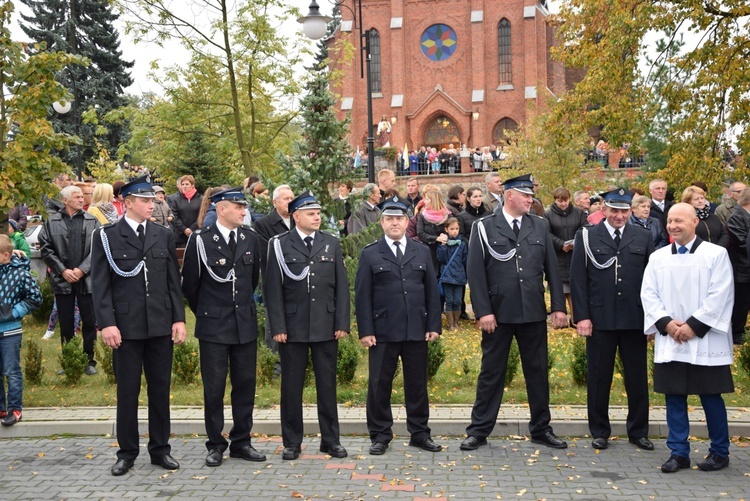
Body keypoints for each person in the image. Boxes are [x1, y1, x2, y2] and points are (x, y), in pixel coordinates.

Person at [461, 174, 568, 452]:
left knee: (537, 371)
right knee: (491, 374)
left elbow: (551, 270)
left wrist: (558, 307)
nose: (531, 200)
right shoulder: (485, 227)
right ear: (509, 195)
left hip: (532, 311)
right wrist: (483, 311)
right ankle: (479, 430)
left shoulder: (539, 225)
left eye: (531, 195)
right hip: (498, 314)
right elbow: (476, 272)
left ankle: (541, 428)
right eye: (526, 195)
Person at [91, 175, 187, 476]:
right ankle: (127, 452)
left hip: (159, 325)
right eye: (145, 200)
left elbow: (173, 281)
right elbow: (101, 284)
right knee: (128, 393)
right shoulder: (107, 236)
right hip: (126, 327)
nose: (152, 204)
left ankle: (160, 450)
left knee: (160, 391)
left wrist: (179, 318)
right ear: (128, 203)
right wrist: (107, 324)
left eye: (152, 200)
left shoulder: (163, 234)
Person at [640, 203, 735, 473]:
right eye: (670, 220)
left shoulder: (715, 255)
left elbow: (721, 294)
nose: (673, 225)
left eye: (679, 220)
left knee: (710, 396)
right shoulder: (658, 258)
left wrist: (693, 326)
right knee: (674, 396)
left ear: (694, 222)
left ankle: (719, 451)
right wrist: (667, 325)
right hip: (671, 339)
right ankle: (678, 452)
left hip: (704, 340)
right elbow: (648, 295)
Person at [181, 187, 266, 467]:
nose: (244, 211)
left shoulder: (251, 239)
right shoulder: (201, 241)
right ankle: (215, 444)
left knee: (245, 385)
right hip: (213, 325)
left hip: (244, 324)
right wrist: (208, 313)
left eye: (245, 207)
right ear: (221, 209)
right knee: (214, 388)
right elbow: (191, 286)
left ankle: (242, 441)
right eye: (238, 206)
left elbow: (251, 280)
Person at [264, 191, 350, 461]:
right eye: (311, 213)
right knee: (291, 387)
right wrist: (277, 325)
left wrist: (342, 322)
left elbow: (341, 288)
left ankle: (331, 440)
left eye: (318, 213)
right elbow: (272, 290)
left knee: (327, 386)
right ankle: (292, 442)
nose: (317, 217)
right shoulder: (280, 245)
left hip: (326, 326)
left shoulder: (330, 243)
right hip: (292, 327)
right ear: (296, 216)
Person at [355, 196, 442, 455]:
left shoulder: (421, 251)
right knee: (380, 384)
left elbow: (431, 292)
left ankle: (419, 433)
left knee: (417, 384)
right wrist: (366, 330)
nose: (395, 223)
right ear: (381, 222)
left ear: (407, 221)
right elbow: (362, 296)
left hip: (416, 328)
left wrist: (434, 325)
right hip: (382, 331)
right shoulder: (370, 253)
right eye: (390, 219)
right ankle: (380, 435)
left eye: (399, 218)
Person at [570, 188, 654, 451]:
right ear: (603, 209)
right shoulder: (587, 236)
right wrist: (581, 316)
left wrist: (652, 320)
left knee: (637, 378)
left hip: (634, 318)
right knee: (598, 377)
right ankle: (599, 430)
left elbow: (652, 282)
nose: (619, 216)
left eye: (624, 211)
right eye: (615, 210)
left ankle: (638, 431)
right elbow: (578, 280)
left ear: (630, 210)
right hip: (600, 318)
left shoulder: (642, 235)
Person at [39, 185, 100, 375]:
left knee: (90, 321)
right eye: (77, 197)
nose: (82, 199)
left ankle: (89, 360)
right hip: (63, 279)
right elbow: (46, 249)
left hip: (86, 278)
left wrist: (82, 270)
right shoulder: (52, 222)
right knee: (66, 322)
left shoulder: (92, 220)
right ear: (65, 200)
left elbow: (99, 248)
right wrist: (63, 271)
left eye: (83, 196)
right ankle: (69, 359)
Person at [0, 235, 42, 427]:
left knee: (12, 371)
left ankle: (15, 409)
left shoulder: (20, 274)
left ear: (5, 255)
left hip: (10, 331)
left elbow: (35, 297)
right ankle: (1, 408)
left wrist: (13, 313)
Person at [544, 187, 588, 319]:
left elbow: (585, 229)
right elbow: (547, 233)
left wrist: (576, 243)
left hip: (575, 255)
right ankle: (559, 318)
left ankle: (576, 319)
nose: (563, 204)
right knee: (559, 289)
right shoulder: (548, 214)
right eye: (559, 201)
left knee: (575, 290)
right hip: (557, 256)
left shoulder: (578, 213)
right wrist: (561, 244)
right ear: (555, 200)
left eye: (566, 201)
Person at [726, 187, 750, 345]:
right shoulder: (736, 217)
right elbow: (742, 243)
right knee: (741, 304)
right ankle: (736, 334)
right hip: (743, 269)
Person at [436, 217, 467, 330]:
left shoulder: (462, 244)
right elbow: (440, 258)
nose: (454, 231)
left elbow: (465, 259)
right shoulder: (444, 243)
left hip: (459, 276)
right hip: (447, 276)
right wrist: (443, 246)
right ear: (446, 229)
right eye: (452, 229)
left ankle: (456, 322)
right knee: (449, 300)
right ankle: (450, 324)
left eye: (457, 229)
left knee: (458, 300)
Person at [254, 185, 295, 260]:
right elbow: (266, 254)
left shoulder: (299, 220)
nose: (290, 201)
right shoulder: (263, 224)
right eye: (286, 199)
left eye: (292, 198)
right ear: (275, 202)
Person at [416, 190, 450, 275]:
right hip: (429, 252)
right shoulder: (423, 215)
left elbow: (454, 230)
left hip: (445, 251)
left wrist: (445, 236)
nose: (424, 201)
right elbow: (420, 233)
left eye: (427, 199)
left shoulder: (447, 215)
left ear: (433, 200)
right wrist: (436, 238)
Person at [168, 175, 203, 247]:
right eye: (182, 184)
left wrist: (192, 229)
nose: (184, 186)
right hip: (180, 236)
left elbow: (202, 215)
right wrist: (184, 229)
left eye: (187, 184)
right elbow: (174, 215)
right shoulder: (176, 199)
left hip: (197, 234)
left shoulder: (200, 199)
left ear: (192, 185)